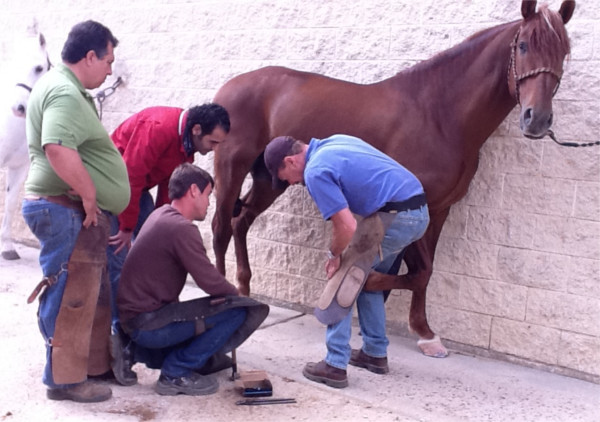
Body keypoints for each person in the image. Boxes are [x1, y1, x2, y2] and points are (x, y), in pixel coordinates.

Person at [264, 134, 430, 388]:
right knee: (366, 279)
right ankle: (374, 353)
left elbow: (346, 226)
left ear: (290, 160)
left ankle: (335, 364)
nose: (292, 183)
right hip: (416, 211)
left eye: (286, 177)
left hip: (396, 216)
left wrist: (334, 257)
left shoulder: (315, 171)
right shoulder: (335, 141)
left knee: (343, 278)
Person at [22, 20, 130, 402]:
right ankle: (64, 382)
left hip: (65, 210)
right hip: (63, 210)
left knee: (80, 293)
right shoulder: (64, 93)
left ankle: (80, 370)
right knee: (70, 297)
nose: (110, 69)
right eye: (108, 60)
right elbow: (57, 147)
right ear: (90, 56)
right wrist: (88, 196)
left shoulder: (63, 88)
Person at [114, 163, 268, 396]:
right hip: (148, 325)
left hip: (137, 320)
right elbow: (210, 282)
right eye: (207, 195)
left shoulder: (161, 214)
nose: (208, 203)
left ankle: (133, 350)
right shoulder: (181, 228)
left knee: (216, 309)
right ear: (194, 191)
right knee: (240, 311)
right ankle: (176, 372)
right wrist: (236, 294)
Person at [106, 104, 231, 333]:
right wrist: (126, 227)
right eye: (212, 142)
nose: (214, 149)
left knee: (155, 250)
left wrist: (169, 226)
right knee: (119, 259)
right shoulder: (159, 127)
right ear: (196, 129)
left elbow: (170, 190)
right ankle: (120, 332)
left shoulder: (185, 144)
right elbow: (130, 175)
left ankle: (155, 314)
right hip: (115, 187)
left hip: (138, 188)